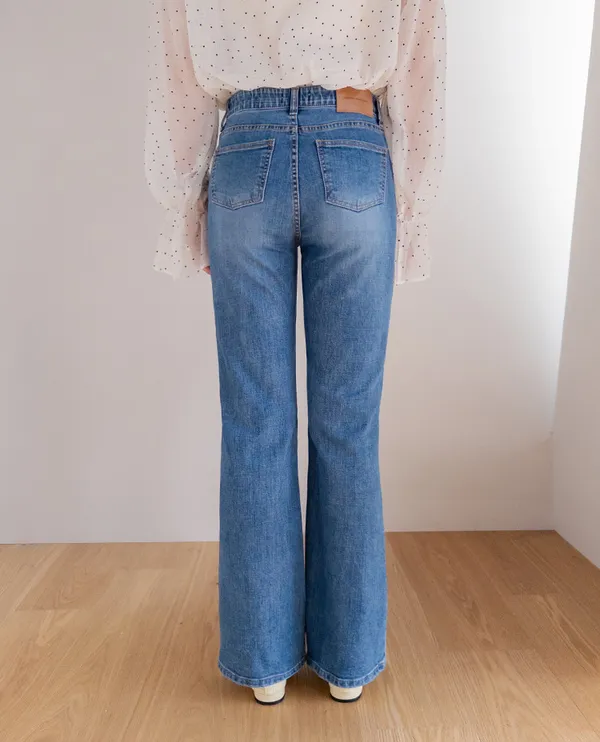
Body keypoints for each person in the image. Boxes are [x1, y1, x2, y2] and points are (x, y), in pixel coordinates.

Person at [145, 0, 446, 705]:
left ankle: (265, 661)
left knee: (255, 424)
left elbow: (176, 73)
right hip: (355, 143)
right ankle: (348, 661)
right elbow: (421, 65)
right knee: (349, 426)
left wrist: (185, 210)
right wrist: (413, 216)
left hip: (245, 150)